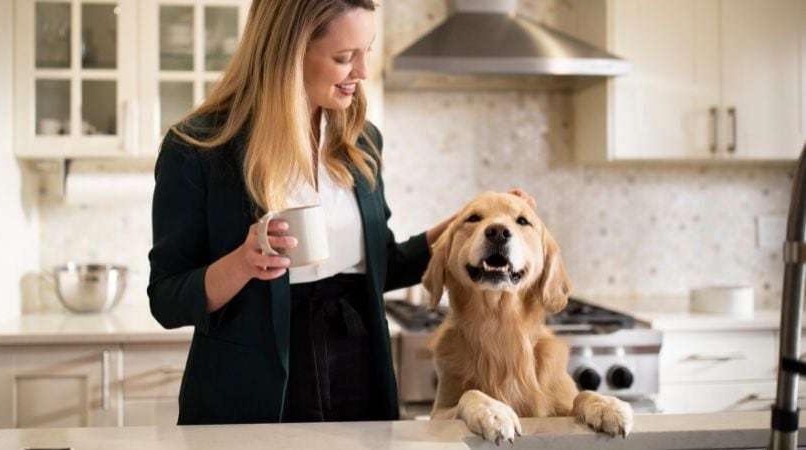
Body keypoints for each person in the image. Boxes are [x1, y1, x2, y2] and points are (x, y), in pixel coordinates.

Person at [147, 0, 535, 425]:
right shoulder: (198, 147)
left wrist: (464, 227)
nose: (363, 72)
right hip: (250, 385)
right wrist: (242, 264)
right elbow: (166, 299)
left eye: (366, 51)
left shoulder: (361, 141)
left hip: (358, 365)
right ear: (288, 51)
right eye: (344, 57)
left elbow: (379, 267)